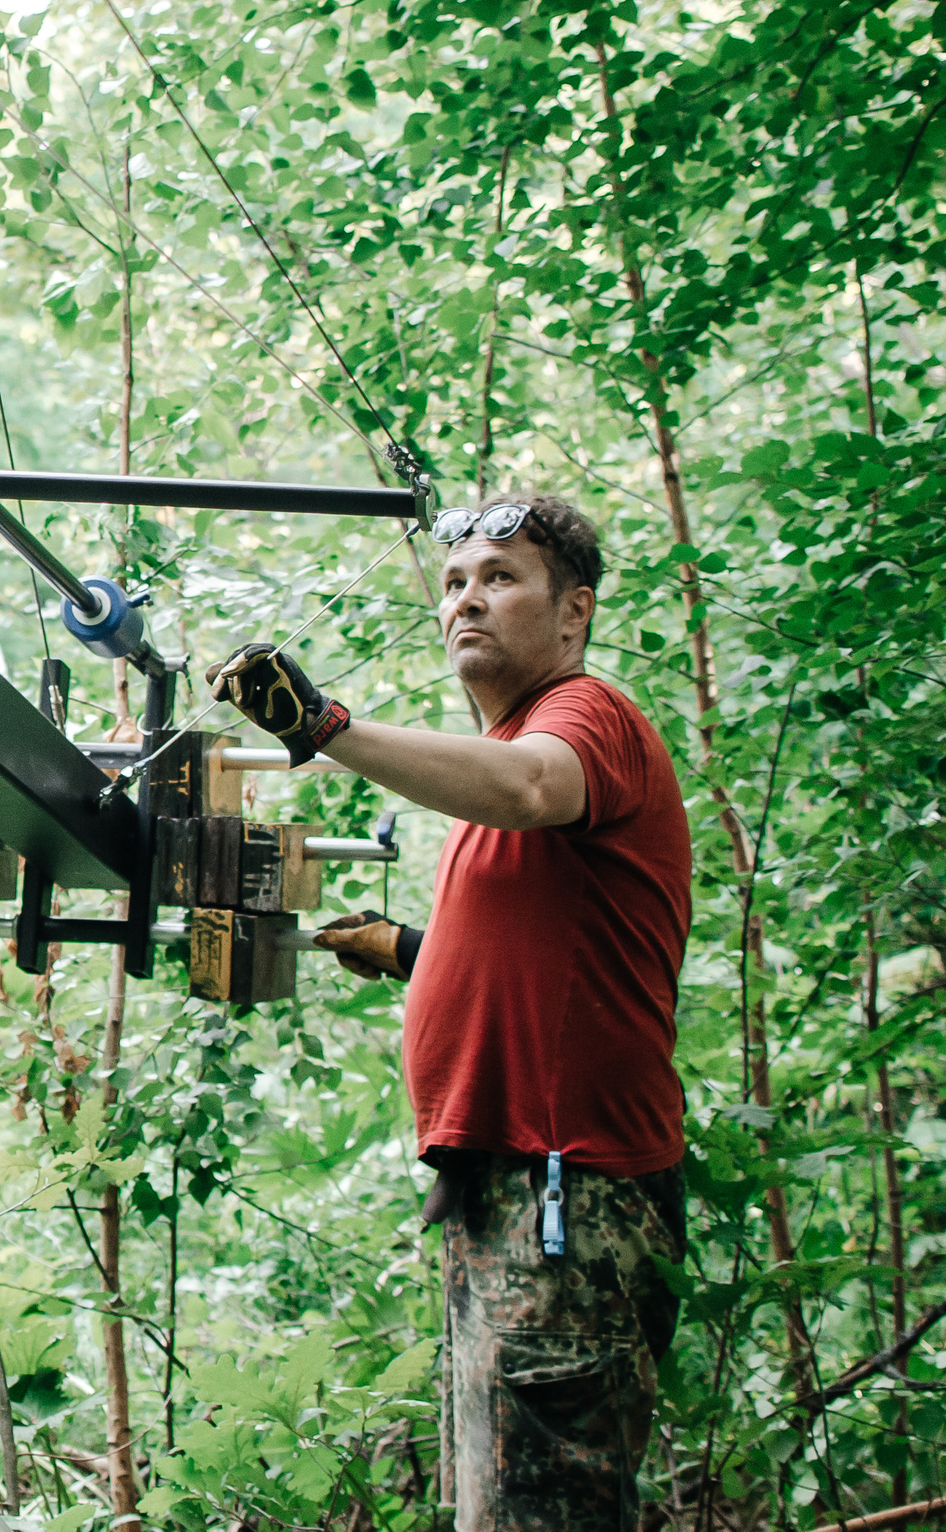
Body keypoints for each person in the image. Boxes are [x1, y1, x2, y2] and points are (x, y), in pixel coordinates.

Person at [207, 492, 691, 1532]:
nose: (467, 600)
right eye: (456, 582)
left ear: (574, 614)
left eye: (502, 578)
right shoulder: (514, 745)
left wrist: (322, 727)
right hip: (511, 1195)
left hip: (565, 1198)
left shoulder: (579, 720)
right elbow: (561, 954)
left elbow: (526, 790)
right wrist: (416, 953)